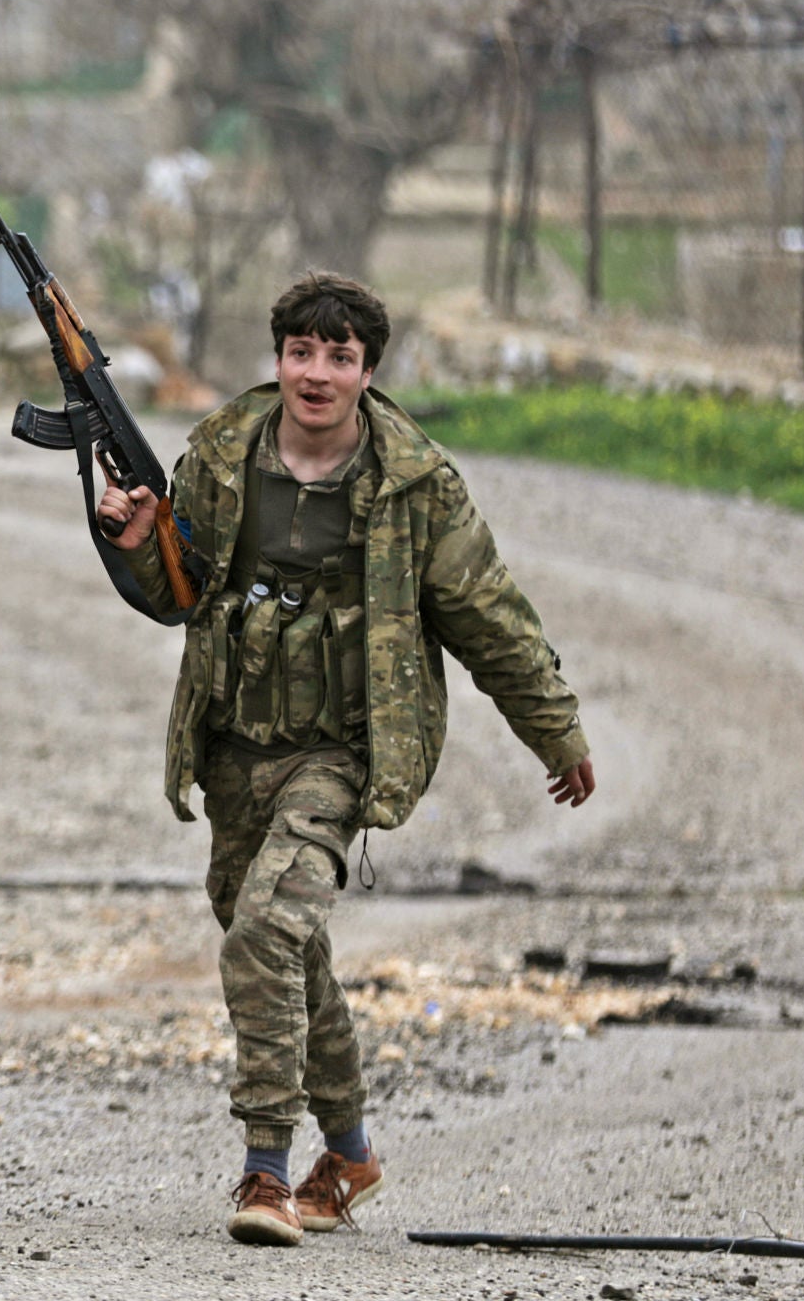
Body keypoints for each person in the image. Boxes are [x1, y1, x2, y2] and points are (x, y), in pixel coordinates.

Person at [97, 272, 596, 1247]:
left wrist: (555, 730)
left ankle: (262, 1171)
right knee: (284, 949)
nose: (314, 374)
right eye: (299, 352)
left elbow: (485, 616)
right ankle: (352, 1151)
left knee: (262, 940)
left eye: (338, 357)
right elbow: (180, 591)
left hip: (341, 754)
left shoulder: (413, 486)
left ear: (367, 370)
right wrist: (131, 541)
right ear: (277, 357)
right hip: (234, 745)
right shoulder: (221, 453)